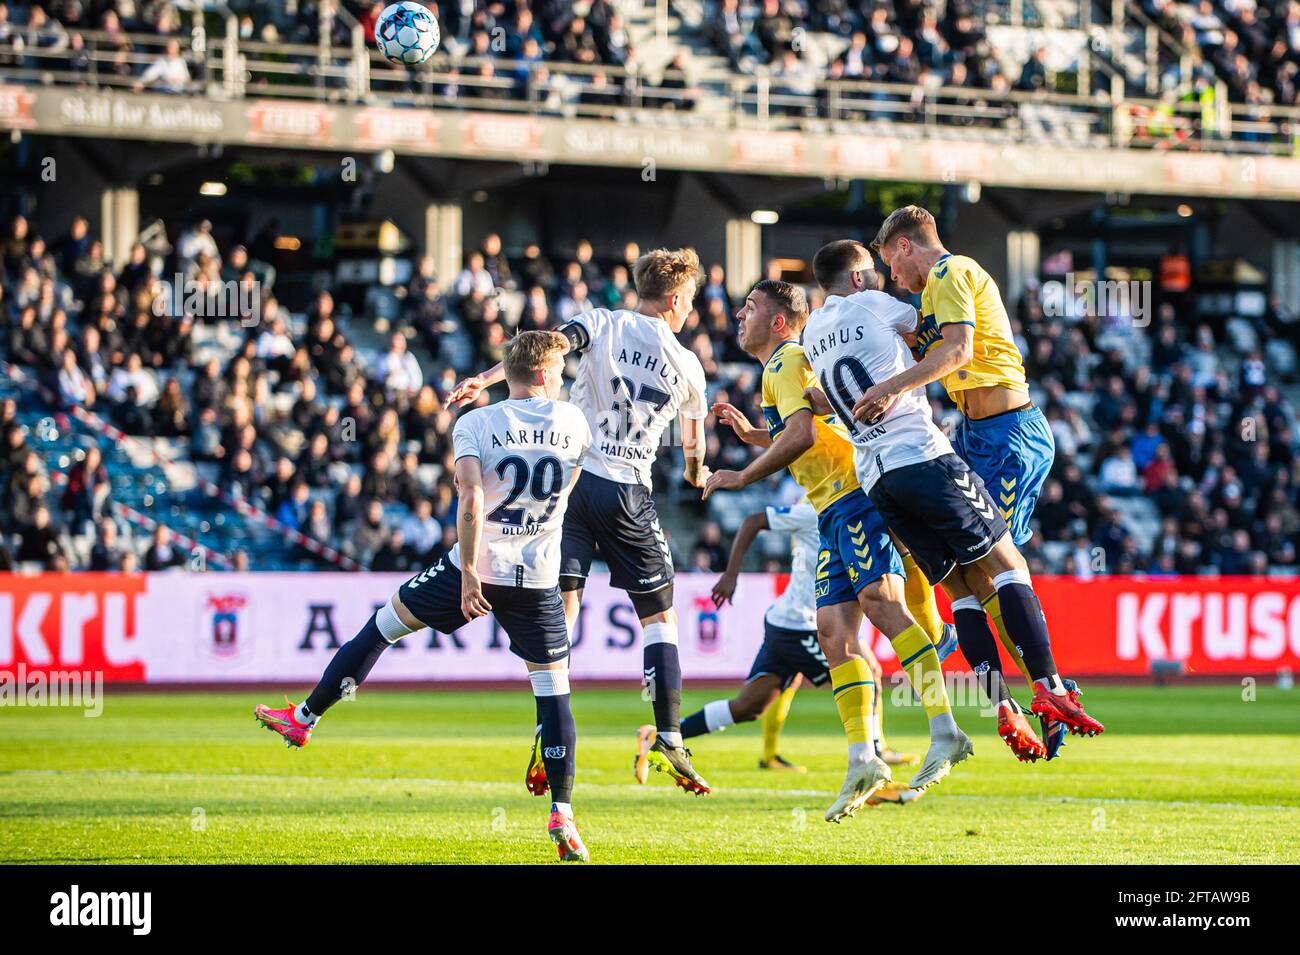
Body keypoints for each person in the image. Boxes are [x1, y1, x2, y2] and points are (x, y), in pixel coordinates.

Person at [256, 331, 595, 862]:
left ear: (508, 374)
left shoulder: (476, 424)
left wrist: (467, 578)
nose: (564, 376)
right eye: (560, 369)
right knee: (554, 693)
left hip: (473, 567)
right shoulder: (574, 423)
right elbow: (578, 481)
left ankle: (304, 719)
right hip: (537, 577)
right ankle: (564, 813)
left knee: (381, 628)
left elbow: (470, 497)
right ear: (548, 374)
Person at [803, 239, 1104, 762]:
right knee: (1005, 564)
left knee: (962, 588)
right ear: (857, 278)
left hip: (876, 478)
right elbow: (947, 343)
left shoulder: (810, 336)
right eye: (878, 270)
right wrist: (896, 384)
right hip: (925, 454)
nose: (889, 277)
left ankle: (1001, 706)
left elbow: (820, 401)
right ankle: (1051, 685)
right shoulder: (884, 299)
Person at [449, 248, 713, 795]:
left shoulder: (603, 322)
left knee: (564, 607)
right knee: (660, 617)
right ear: (674, 298)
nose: (691, 309)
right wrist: (697, 472)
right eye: (689, 300)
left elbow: (546, 350)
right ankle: (668, 736)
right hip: (627, 491)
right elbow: (692, 449)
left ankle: (549, 735)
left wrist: (487, 378)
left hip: (571, 485)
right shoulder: (688, 365)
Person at [704, 280, 970, 821]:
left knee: (881, 604)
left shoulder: (786, 361)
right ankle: (862, 760)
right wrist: (757, 434)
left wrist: (743, 475)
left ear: (779, 321)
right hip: (832, 509)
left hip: (855, 496)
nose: (739, 314)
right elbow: (813, 428)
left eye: (750, 307)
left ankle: (946, 729)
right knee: (833, 633)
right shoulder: (782, 366)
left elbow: (801, 436)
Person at [868, 210, 1072, 759]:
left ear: (906, 247)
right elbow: (925, 351)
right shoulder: (931, 294)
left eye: (890, 264)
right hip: (976, 434)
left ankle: (1048, 688)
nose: (892, 277)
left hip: (1008, 435)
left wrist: (889, 388)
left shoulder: (951, 274)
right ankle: (1015, 697)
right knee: (963, 574)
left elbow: (955, 353)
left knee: (991, 570)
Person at [684, 498, 929, 805]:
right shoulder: (813, 507)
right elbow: (752, 521)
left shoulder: (856, 505)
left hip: (787, 620)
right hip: (801, 625)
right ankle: (874, 769)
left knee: (748, 706)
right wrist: (731, 575)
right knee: (860, 677)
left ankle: (664, 737)